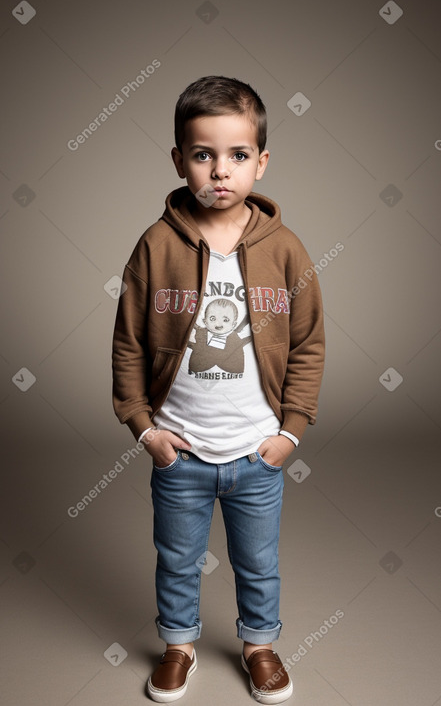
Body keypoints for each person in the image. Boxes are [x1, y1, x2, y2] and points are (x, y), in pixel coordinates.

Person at [111, 75, 325, 703]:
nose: (219, 171)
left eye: (237, 155)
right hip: (179, 452)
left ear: (261, 162)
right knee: (176, 560)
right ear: (180, 160)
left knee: (258, 562)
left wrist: (292, 432)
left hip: (257, 453)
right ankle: (178, 645)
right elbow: (127, 343)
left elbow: (309, 344)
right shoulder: (155, 246)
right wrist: (143, 427)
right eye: (203, 154)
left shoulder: (285, 250)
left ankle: (260, 646)